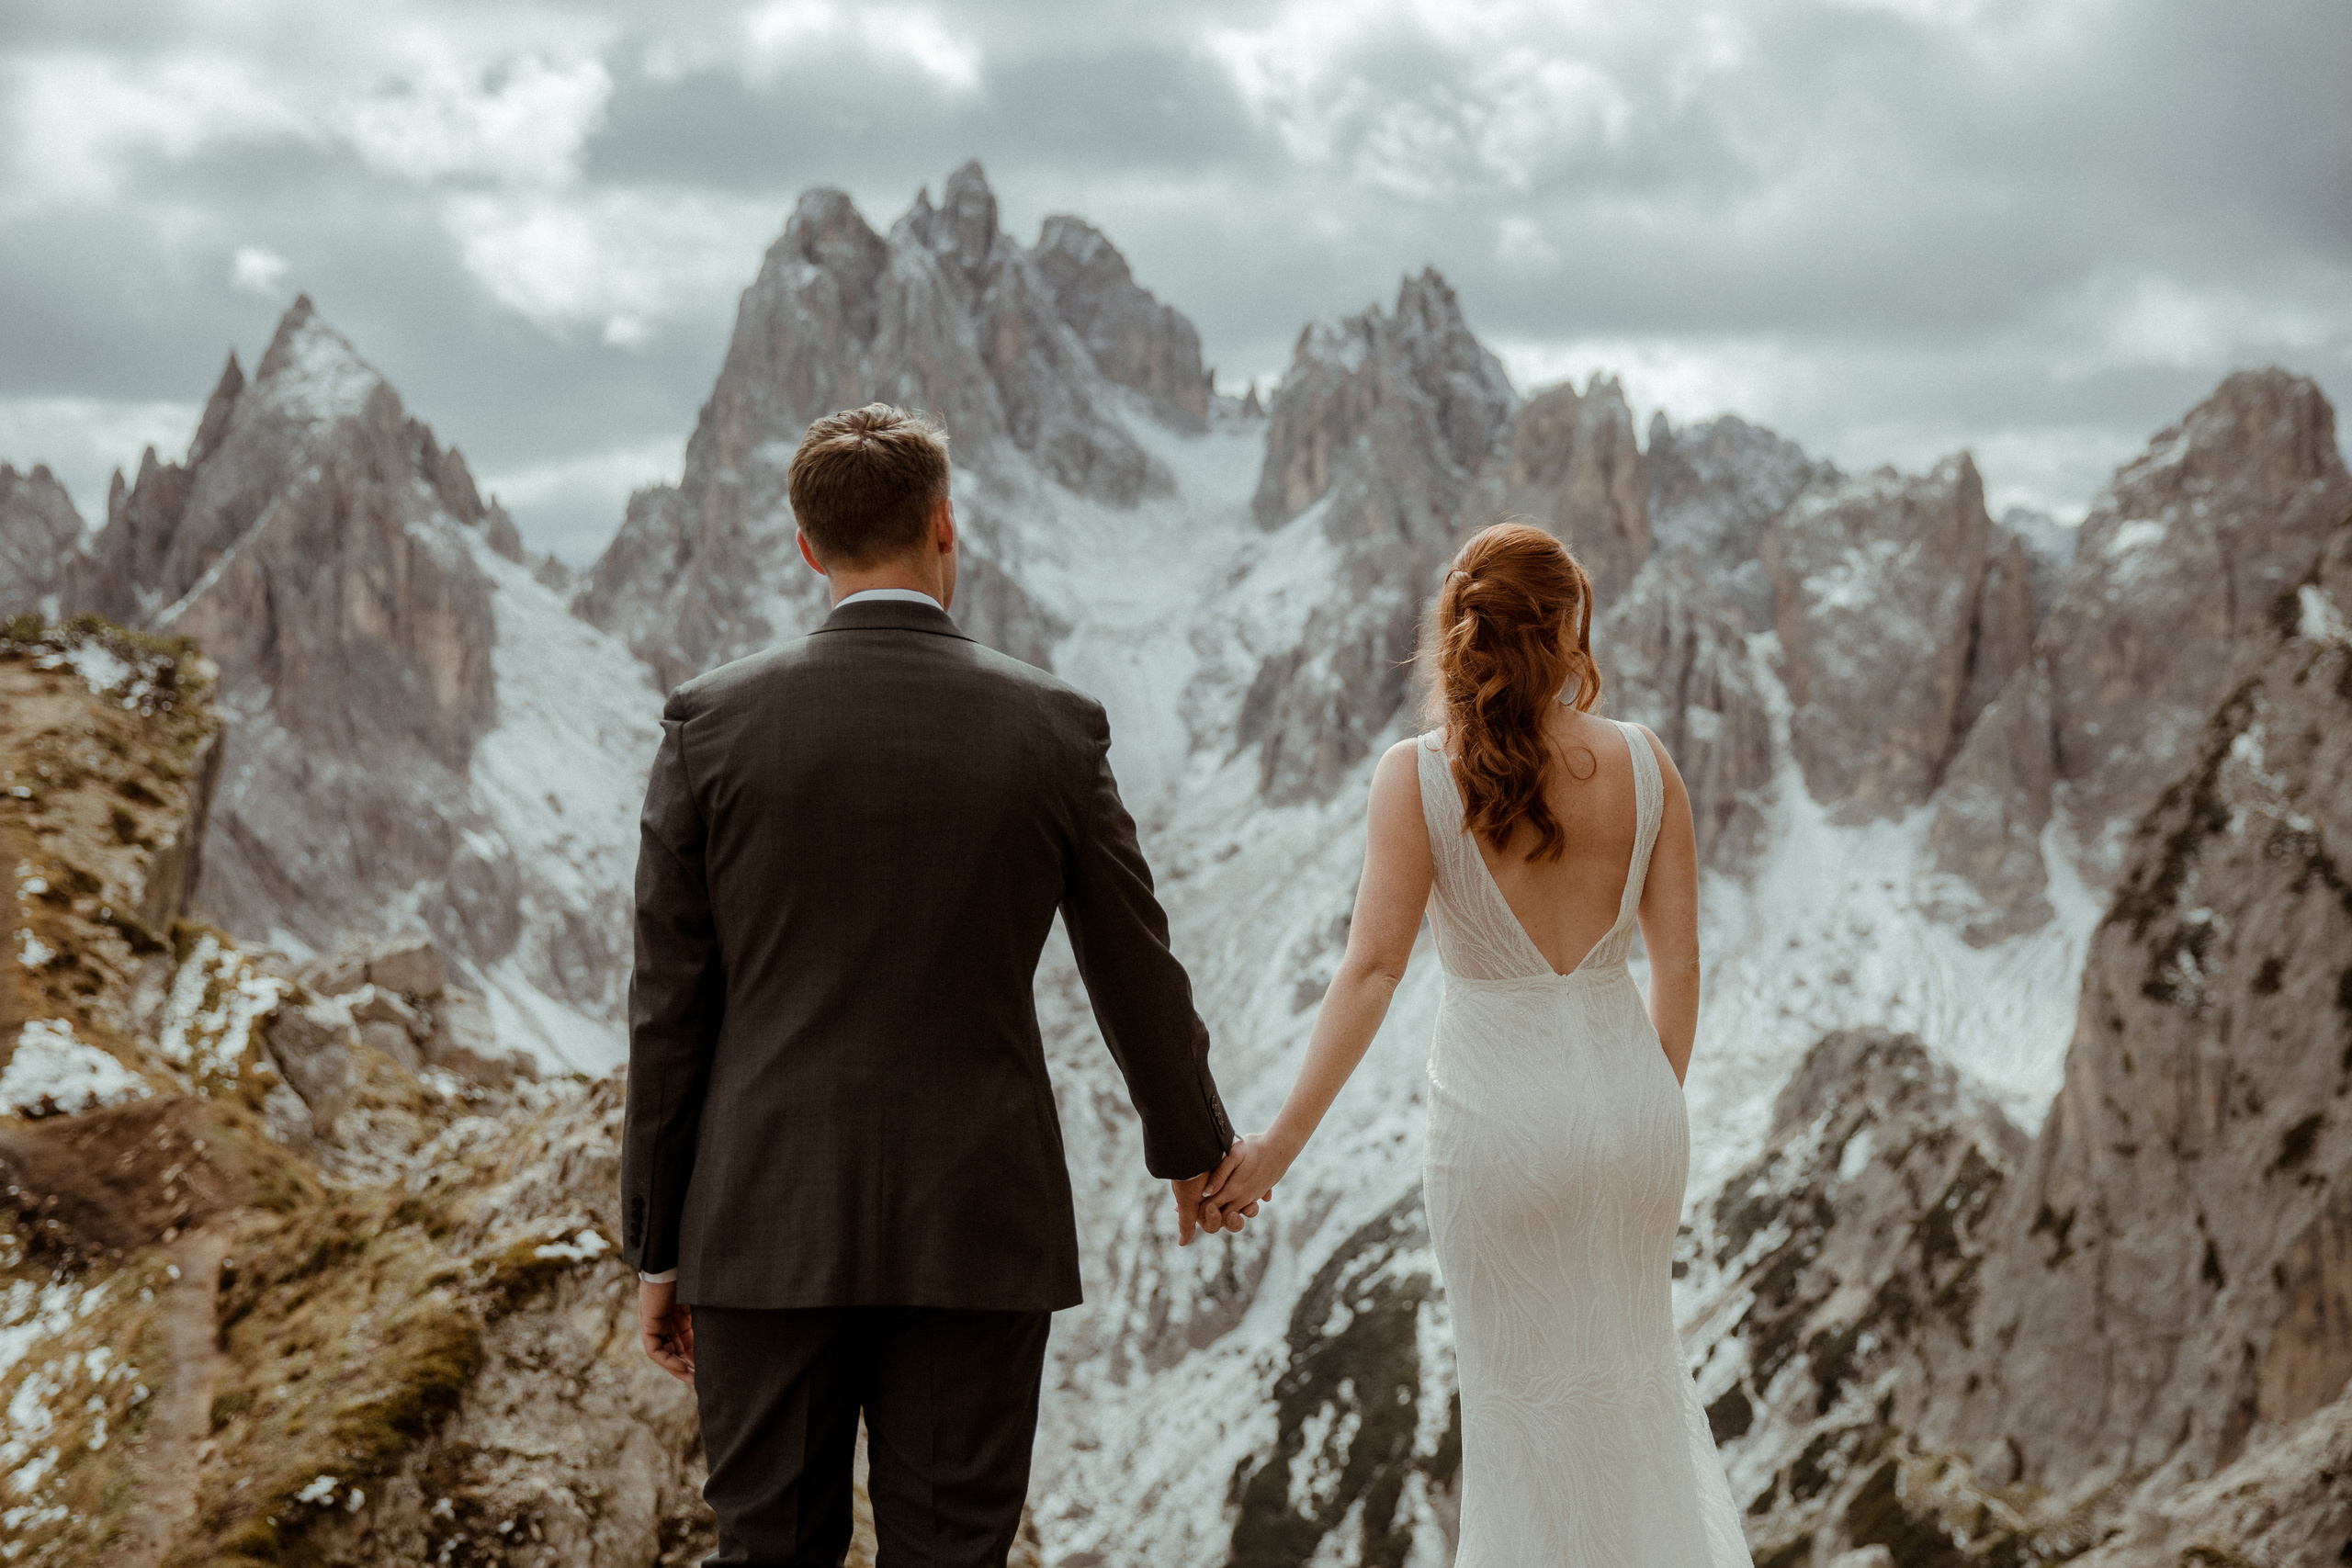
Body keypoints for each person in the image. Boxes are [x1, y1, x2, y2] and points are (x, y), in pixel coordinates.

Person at [618, 402, 1256, 1566]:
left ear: (807, 548)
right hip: (976, 1223)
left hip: (761, 1226)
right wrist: (1192, 1150)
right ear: (944, 526)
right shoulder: (1053, 726)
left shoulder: (709, 727)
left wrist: (660, 1246)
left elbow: (669, 1010)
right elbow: (1133, 964)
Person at [1203, 522, 1752, 1564]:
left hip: (1498, 1132)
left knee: (1523, 1427)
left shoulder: (1418, 776)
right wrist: (1636, 1111)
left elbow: (1372, 971)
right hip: (1636, 1120)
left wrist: (1275, 1147)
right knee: (1636, 1402)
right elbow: (1678, 966)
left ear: (1461, 630)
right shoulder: (1646, 762)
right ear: (1568, 626)